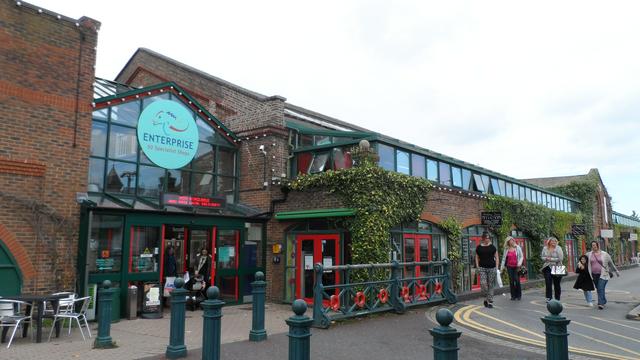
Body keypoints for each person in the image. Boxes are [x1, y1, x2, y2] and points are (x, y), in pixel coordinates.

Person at [586, 241, 620, 310]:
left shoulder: (605, 254)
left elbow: (611, 263)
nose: (593, 247)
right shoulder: (589, 254)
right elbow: (582, 260)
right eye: (592, 245)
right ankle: (603, 300)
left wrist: (616, 271)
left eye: (595, 245)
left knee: (600, 287)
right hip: (593, 275)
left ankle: (600, 303)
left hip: (604, 274)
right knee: (599, 289)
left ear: (598, 246)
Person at [476, 231, 499, 308]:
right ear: (483, 238)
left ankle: (490, 301)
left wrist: (496, 267)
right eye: (486, 238)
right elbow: (476, 257)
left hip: (492, 268)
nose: (488, 239)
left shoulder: (493, 247)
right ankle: (486, 298)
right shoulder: (479, 247)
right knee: (483, 284)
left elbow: (497, 257)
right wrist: (477, 266)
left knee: (490, 284)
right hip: (482, 268)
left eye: (488, 238)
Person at [500, 236, 523, 301]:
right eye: (510, 241)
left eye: (512, 240)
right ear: (508, 242)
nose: (512, 242)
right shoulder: (506, 249)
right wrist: (501, 268)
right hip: (509, 267)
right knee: (511, 281)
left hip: (516, 267)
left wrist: (519, 263)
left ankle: (519, 295)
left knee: (517, 281)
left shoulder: (517, 247)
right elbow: (504, 259)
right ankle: (513, 296)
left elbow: (521, 256)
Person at [541, 237, 564, 302]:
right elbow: (542, 257)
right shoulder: (545, 248)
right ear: (549, 242)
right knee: (548, 283)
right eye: (552, 241)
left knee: (557, 284)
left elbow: (561, 258)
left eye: (555, 241)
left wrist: (551, 259)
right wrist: (546, 259)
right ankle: (549, 297)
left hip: (557, 267)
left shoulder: (558, 248)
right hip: (547, 267)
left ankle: (557, 298)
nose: (554, 242)